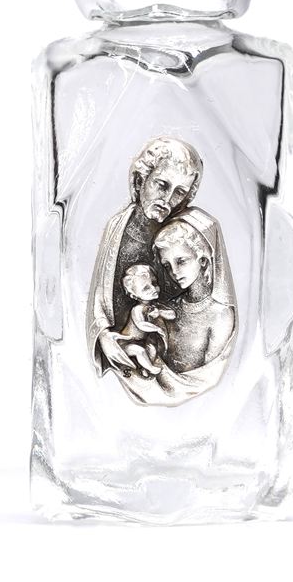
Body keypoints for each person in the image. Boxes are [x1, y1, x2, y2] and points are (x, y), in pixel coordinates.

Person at [87, 136, 238, 406]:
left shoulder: (184, 232)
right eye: (162, 185)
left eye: (179, 192)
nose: (168, 199)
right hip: (123, 364)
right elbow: (99, 299)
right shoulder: (116, 228)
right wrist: (104, 337)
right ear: (140, 180)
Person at [154, 220, 235, 374]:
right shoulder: (169, 307)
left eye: (181, 261)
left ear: (203, 261)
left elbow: (210, 373)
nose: (174, 272)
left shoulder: (221, 314)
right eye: (167, 266)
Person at [118, 264, 175, 378]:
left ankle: (145, 369)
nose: (154, 289)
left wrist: (160, 313)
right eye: (146, 288)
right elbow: (141, 325)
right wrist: (156, 329)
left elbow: (172, 315)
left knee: (152, 350)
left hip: (142, 341)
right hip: (126, 343)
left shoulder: (155, 306)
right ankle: (151, 368)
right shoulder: (137, 309)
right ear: (134, 295)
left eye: (154, 283)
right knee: (139, 351)